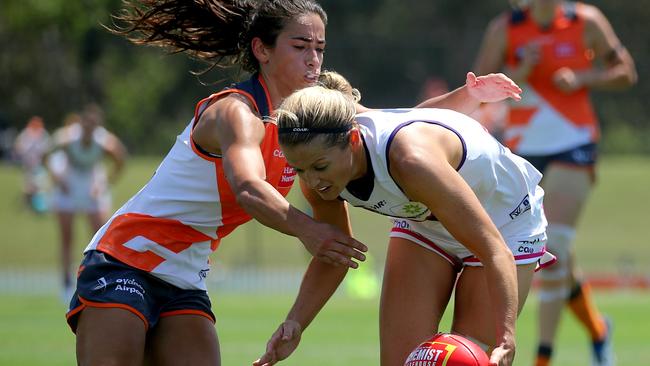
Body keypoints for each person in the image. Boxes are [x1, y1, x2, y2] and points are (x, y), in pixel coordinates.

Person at [64, 1, 527, 365]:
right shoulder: (235, 113)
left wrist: (466, 96)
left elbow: (396, 125)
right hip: (124, 259)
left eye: (320, 48)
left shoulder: (310, 126)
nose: (313, 58)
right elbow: (248, 187)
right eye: (299, 46)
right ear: (263, 50)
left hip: (186, 276)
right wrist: (309, 230)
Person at [254, 76, 553, 366]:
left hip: (503, 224)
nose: (312, 180)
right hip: (426, 222)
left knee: (469, 358)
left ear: (353, 139)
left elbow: (492, 248)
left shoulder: (410, 161)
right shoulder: (315, 168)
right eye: (300, 169)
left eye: (320, 167)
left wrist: (506, 335)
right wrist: (294, 322)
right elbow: (334, 255)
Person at [472, 1, 637, 365]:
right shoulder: (505, 28)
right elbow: (475, 92)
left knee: (557, 243)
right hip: (522, 152)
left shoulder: (586, 20)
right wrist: (520, 70)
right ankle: (597, 329)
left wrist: (583, 78)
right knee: (553, 253)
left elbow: (627, 72)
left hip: (574, 143)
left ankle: (542, 358)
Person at [43, 104, 127, 302]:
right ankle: (65, 283)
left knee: (100, 238)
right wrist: (56, 179)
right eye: (86, 125)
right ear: (81, 124)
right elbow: (45, 154)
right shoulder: (67, 138)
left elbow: (121, 159)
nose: (89, 130)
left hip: (91, 186)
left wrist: (105, 182)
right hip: (68, 186)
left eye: (93, 126)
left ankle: (100, 278)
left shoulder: (104, 140)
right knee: (67, 237)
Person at [13, 115, 51, 213]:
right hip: (28, 164)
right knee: (28, 187)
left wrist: (45, 163)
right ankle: (27, 205)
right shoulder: (26, 134)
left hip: (39, 165)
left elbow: (46, 151)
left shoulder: (43, 134)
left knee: (39, 187)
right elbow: (18, 146)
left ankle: (37, 206)